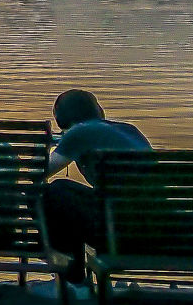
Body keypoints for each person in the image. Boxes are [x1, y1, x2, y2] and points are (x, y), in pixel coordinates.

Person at [40, 89, 152, 286]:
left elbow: (38, 173)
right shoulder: (130, 130)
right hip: (152, 227)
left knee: (53, 192)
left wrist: (47, 147)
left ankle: (73, 280)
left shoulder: (79, 132)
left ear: (61, 118)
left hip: (117, 229)